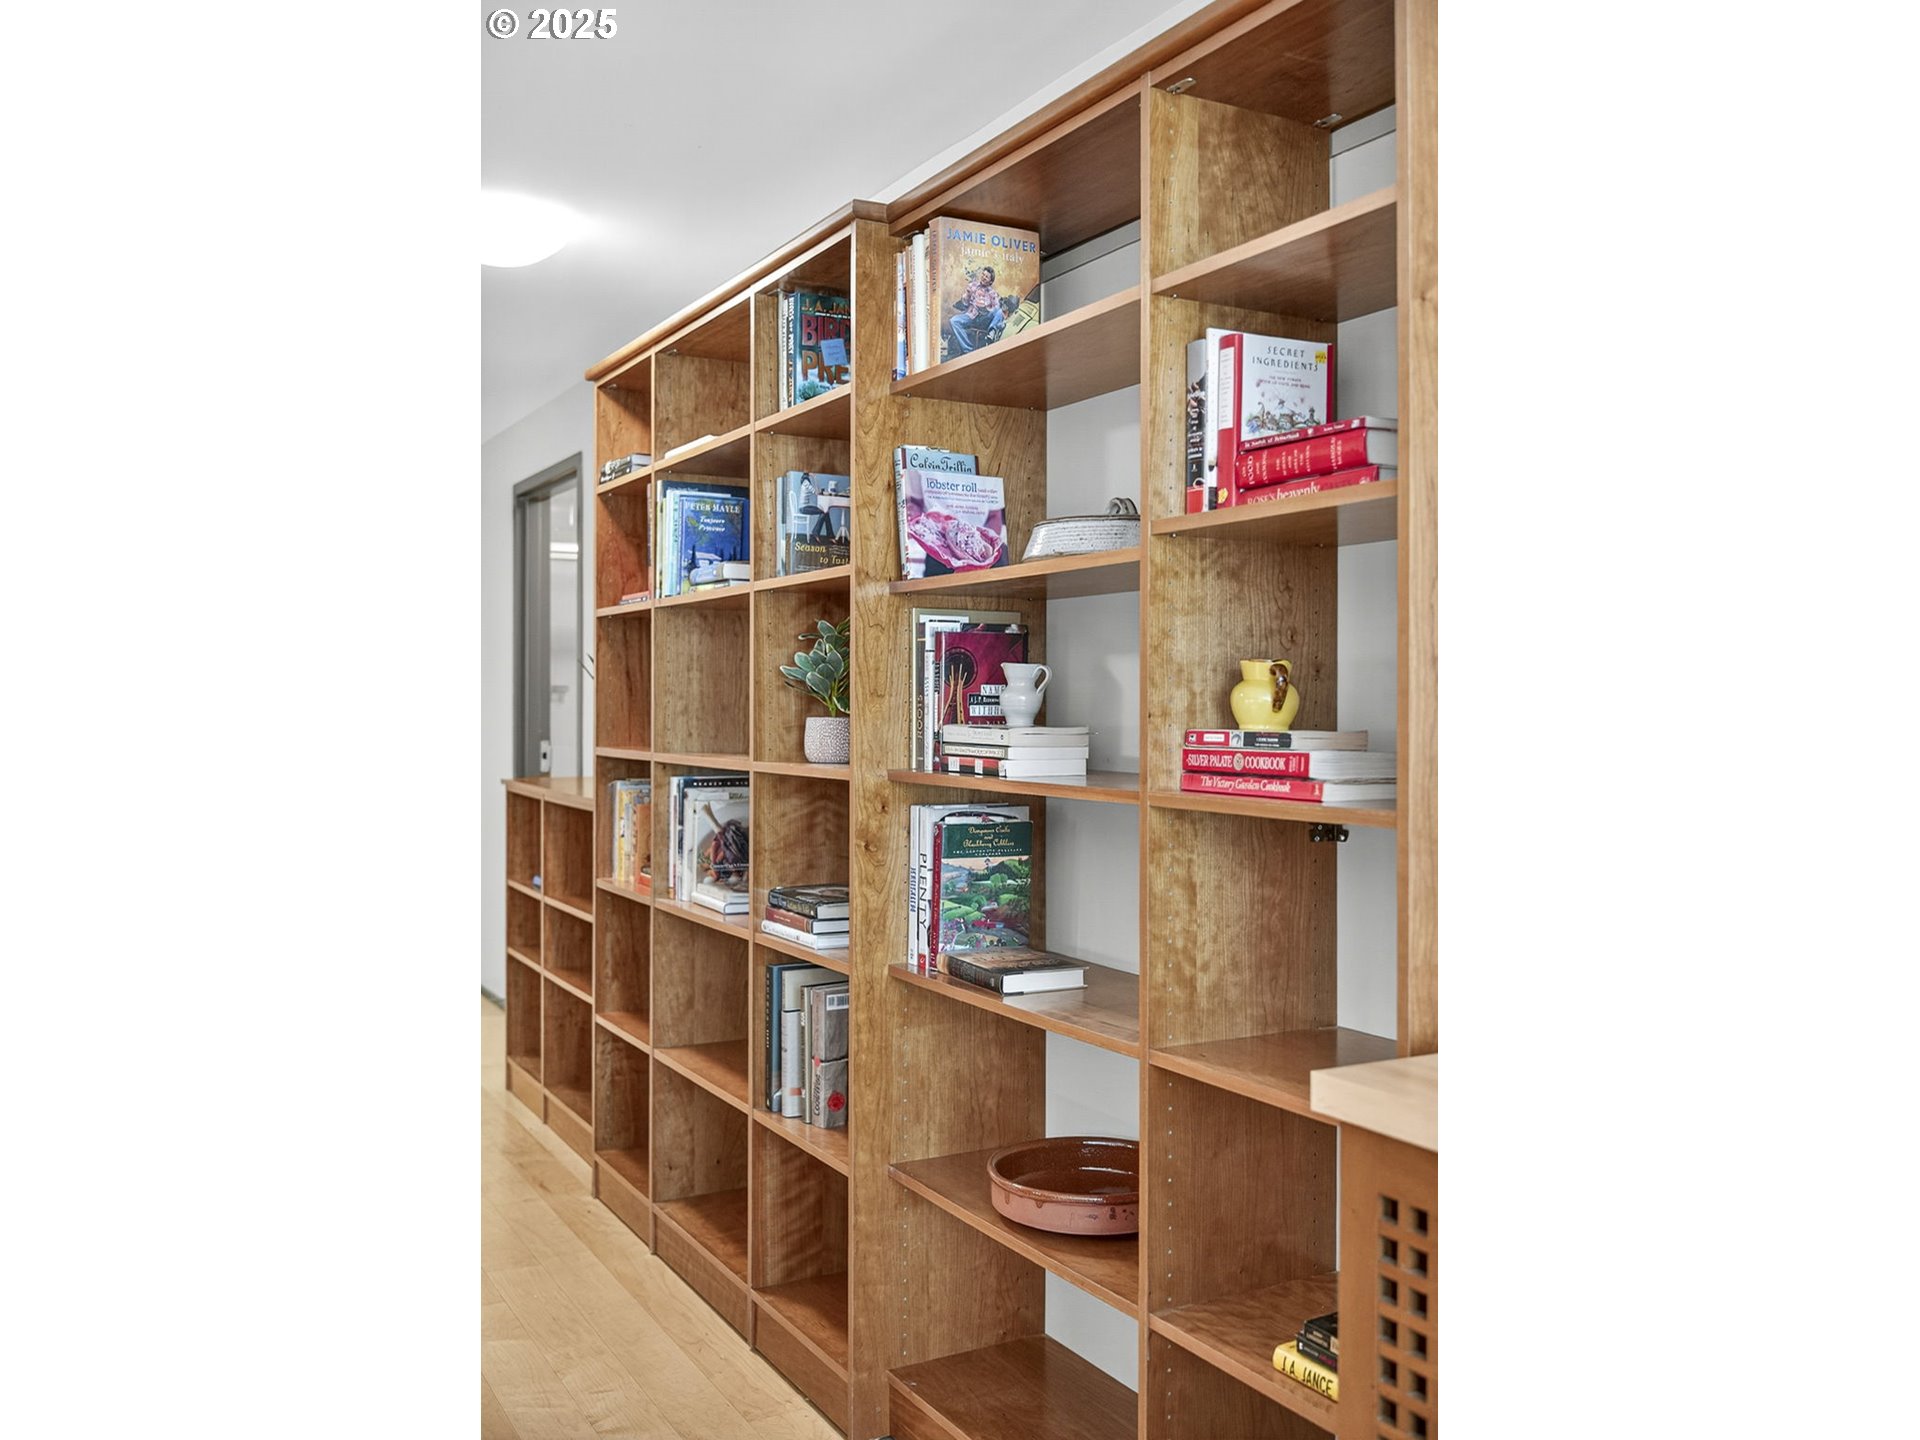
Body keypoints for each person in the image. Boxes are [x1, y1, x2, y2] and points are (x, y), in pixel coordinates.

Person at [946, 264, 1006, 357]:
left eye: (986, 277)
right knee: (954, 321)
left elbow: (996, 307)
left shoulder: (992, 293)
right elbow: (965, 304)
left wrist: (987, 309)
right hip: (971, 315)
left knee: (999, 311)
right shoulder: (972, 286)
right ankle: (968, 349)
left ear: (990, 281)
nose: (983, 277)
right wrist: (966, 296)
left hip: (985, 319)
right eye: (983, 275)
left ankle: (991, 332)